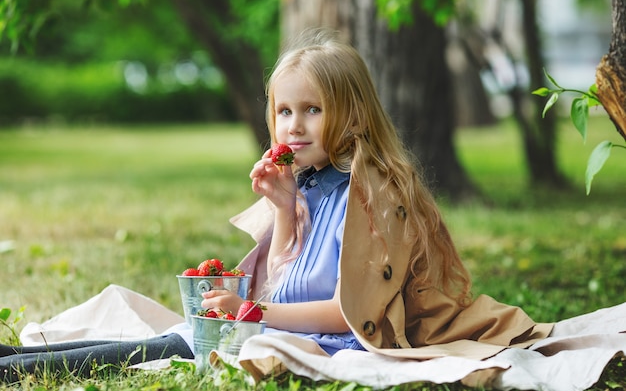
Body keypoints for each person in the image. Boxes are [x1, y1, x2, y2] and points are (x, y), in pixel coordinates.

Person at [1, 29, 551, 383]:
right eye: (284, 111)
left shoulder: (378, 194)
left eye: (312, 109)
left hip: (326, 339)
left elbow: (347, 311)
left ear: (353, 117)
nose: (294, 125)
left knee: (169, 345)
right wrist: (285, 212)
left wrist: (253, 315)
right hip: (283, 326)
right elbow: (283, 281)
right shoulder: (308, 182)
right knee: (170, 340)